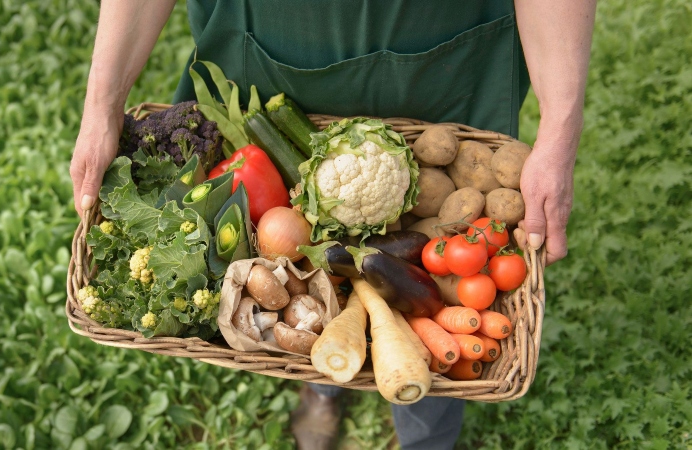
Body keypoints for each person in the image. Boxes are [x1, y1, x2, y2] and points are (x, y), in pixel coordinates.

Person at [70, 1, 596, 448]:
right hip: (269, 50)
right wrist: (101, 104)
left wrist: (561, 128)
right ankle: (324, 378)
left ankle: (427, 422)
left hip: (443, 60)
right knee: (328, 285)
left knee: (429, 325)